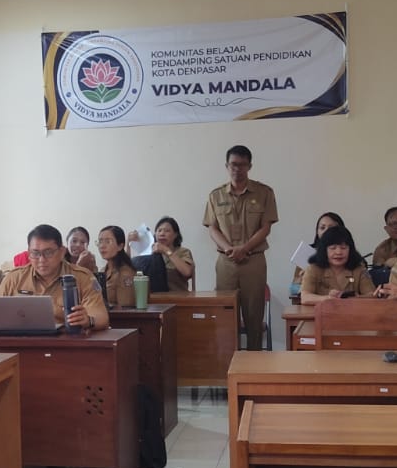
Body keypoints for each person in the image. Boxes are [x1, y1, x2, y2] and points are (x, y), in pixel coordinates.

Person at [204, 144, 278, 349]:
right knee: (225, 314)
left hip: (253, 260)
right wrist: (229, 249)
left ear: (250, 166)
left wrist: (244, 249)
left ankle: (254, 362)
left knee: (254, 315)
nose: (237, 169)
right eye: (233, 164)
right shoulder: (216, 195)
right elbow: (212, 228)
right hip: (226, 261)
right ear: (226, 166)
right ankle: (228, 362)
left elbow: (265, 227)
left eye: (242, 165)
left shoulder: (264, 193)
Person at [0, 224, 108, 329]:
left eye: (48, 253)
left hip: (66, 343)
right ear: (29, 253)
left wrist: (88, 320)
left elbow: (102, 318)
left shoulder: (82, 277)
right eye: (35, 253)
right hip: (21, 342)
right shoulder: (14, 278)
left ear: (61, 252)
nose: (41, 259)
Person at [298, 225, 374, 303]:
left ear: (350, 250)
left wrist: (355, 298)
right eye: (333, 248)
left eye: (343, 248)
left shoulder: (359, 269)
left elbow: (372, 295)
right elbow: (305, 298)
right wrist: (329, 299)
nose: (338, 252)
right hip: (321, 310)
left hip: (352, 310)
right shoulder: (313, 269)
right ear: (324, 250)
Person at [291, 212, 346, 289]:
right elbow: (293, 287)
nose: (326, 231)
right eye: (322, 228)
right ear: (317, 231)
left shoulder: (345, 253)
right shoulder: (306, 252)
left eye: (331, 228)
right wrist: (302, 280)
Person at [147, 215, 196, 292]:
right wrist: (129, 244)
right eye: (159, 230)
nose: (162, 234)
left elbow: (187, 272)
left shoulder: (183, 252)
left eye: (167, 231)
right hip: (154, 297)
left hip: (178, 297)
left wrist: (166, 250)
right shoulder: (149, 253)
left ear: (175, 235)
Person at [96, 224, 137, 307]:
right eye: (100, 242)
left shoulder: (125, 273)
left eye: (108, 242)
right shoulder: (103, 270)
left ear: (120, 246)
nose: (102, 246)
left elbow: (125, 308)